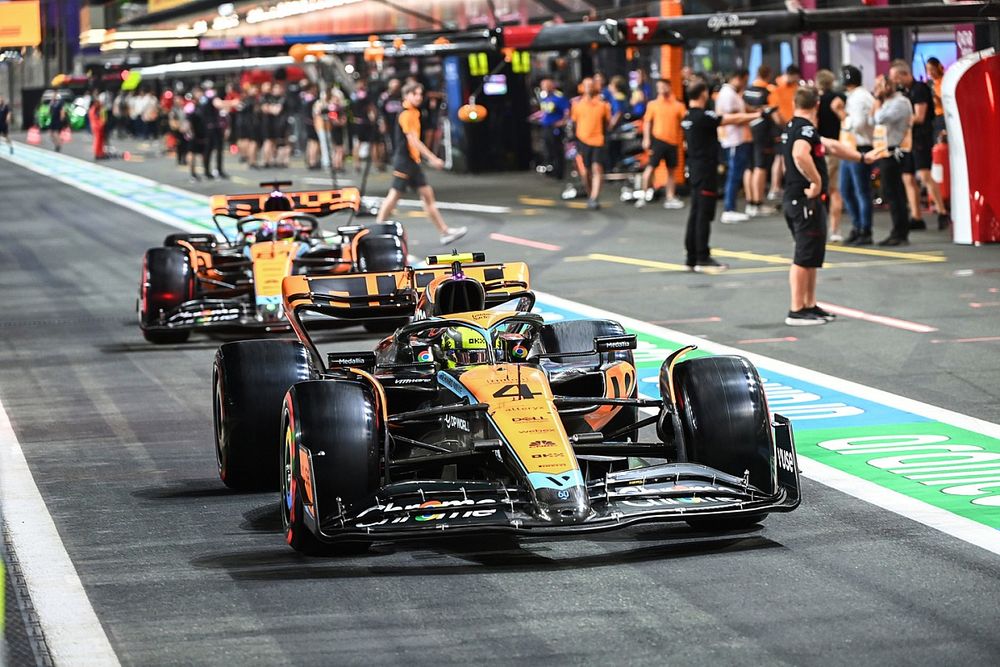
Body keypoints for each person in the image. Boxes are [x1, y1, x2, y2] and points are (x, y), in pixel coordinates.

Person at [782, 86, 880, 326]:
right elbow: (800, 154)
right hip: (803, 199)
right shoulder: (804, 129)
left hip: (804, 200)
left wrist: (863, 158)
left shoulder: (797, 126)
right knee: (803, 255)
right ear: (817, 105)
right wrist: (815, 181)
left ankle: (809, 304)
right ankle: (796, 310)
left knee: (812, 254)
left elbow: (833, 146)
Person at [681, 81, 760, 272]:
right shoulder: (702, 116)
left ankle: (692, 255)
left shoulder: (687, 117)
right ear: (703, 95)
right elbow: (729, 119)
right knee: (704, 214)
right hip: (706, 168)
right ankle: (702, 256)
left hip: (694, 167)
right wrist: (757, 114)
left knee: (695, 211)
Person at [376, 82, 466, 246]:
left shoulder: (413, 112)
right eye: (414, 94)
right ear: (406, 95)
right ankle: (376, 231)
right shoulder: (406, 114)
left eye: (420, 94)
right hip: (404, 161)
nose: (418, 97)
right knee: (394, 196)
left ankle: (444, 232)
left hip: (412, 162)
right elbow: (413, 141)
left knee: (427, 195)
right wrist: (433, 158)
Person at [890, 59, 949, 231]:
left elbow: (920, 117)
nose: (894, 81)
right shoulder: (905, 92)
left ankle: (942, 211)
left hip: (920, 138)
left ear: (904, 74)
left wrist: (899, 120)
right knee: (907, 177)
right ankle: (916, 216)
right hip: (908, 139)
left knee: (924, 175)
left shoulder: (919, 90)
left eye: (896, 77)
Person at [871, 73, 914, 246]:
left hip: (895, 151)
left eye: (879, 86)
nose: (877, 90)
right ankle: (898, 230)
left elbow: (879, 118)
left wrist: (877, 99)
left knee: (895, 193)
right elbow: (872, 119)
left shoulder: (900, 103)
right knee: (891, 192)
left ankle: (900, 232)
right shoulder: (888, 102)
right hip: (884, 150)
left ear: (888, 87)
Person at [838, 65, 876, 246]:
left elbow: (860, 123)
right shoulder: (855, 96)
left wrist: (845, 120)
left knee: (861, 191)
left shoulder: (860, 98)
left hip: (860, 146)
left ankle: (864, 229)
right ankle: (857, 225)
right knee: (846, 189)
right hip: (851, 147)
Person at [636, 78, 685, 209]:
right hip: (658, 140)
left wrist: (685, 140)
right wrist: (646, 139)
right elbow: (647, 122)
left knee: (671, 171)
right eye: (659, 87)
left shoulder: (678, 105)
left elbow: (685, 122)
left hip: (673, 141)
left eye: (664, 86)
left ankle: (670, 197)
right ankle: (643, 196)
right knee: (650, 167)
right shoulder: (653, 104)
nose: (661, 89)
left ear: (669, 87)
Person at [715, 70, 753, 223]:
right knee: (733, 175)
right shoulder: (727, 94)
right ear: (738, 78)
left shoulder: (733, 93)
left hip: (738, 139)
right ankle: (728, 209)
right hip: (733, 140)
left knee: (735, 174)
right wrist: (752, 116)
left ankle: (730, 208)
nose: (745, 84)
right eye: (744, 80)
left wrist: (756, 111)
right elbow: (730, 117)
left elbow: (741, 111)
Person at [569, 77, 612, 210]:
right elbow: (574, 123)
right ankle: (590, 194)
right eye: (586, 85)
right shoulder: (577, 105)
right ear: (582, 87)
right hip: (582, 141)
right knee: (585, 172)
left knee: (597, 168)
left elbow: (607, 123)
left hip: (598, 140)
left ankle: (594, 197)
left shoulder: (603, 105)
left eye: (591, 85)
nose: (589, 87)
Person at [816, 70, 846, 241]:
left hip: (819, 149)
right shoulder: (838, 99)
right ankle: (834, 230)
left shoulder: (816, 102)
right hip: (834, 147)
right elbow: (845, 120)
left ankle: (818, 229)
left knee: (818, 190)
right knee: (833, 190)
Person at [742, 82, 780, 217]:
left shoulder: (746, 92)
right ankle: (757, 203)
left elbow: (745, 109)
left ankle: (751, 203)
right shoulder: (768, 92)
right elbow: (774, 114)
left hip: (748, 128)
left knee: (749, 167)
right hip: (760, 129)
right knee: (760, 166)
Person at [769, 65, 801, 200]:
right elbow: (774, 112)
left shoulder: (796, 89)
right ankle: (777, 187)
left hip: (790, 126)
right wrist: (785, 126)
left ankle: (781, 187)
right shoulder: (778, 90)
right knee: (782, 157)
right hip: (783, 127)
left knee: (784, 157)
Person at [536, 77, 570, 179]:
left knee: (557, 150)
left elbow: (568, 111)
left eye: (546, 85)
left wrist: (563, 122)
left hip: (555, 127)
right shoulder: (544, 97)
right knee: (548, 149)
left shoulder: (558, 97)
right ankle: (550, 169)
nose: (544, 87)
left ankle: (559, 172)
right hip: (546, 127)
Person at [925, 56, 947, 142]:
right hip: (933, 117)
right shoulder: (929, 84)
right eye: (928, 70)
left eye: (932, 69)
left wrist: (934, 96)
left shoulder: (945, 80)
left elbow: (945, 101)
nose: (930, 72)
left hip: (942, 115)